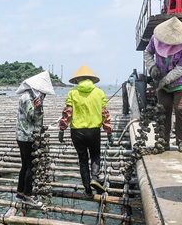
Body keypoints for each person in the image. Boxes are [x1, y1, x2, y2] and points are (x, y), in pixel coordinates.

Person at [58, 64, 112, 198]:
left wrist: (62, 129)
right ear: (91, 80)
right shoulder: (99, 92)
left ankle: (87, 189)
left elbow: (67, 113)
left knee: (83, 159)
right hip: (94, 130)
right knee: (95, 156)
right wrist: (109, 131)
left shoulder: (72, 93)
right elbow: (104, 114)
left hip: (77, 132)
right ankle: (94, 177)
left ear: (78, 80)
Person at [144, 16, 182, 152]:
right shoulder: (155, 39)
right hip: (161, 82)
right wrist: (152, 67)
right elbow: (147, 53)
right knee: (163, 109)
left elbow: (181, 67)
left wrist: (165, 80)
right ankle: (163, 141)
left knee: (180, 108)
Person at [14, 70, 55, 207]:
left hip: (26, 136)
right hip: (26, 137)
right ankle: (27, 196)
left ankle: (20, 194)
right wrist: (38, 108)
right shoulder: (27, 98)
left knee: (25, 166)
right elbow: (31, 117)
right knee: (31, 167)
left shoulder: (31, 97)